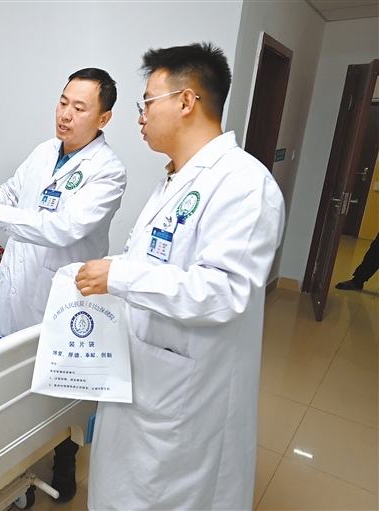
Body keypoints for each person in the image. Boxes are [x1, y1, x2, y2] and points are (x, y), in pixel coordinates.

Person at [75, 43, 285, 510]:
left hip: (185, 398)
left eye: (148, 103)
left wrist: (120, 276)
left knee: (166, 494)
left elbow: (223, 291)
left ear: (186, 101)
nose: (141, 117)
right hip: (145, 376)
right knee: (121, 487)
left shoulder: (244, 185)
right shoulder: (176, 178)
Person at [0, 68, 126, 501]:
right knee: (8, 383)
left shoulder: (108, 171)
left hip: (59, 298)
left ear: (103, 118)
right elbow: (12, 194)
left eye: (79, 108)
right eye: (63, 102)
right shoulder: (45, 151)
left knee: (61, 389)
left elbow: (65, 228)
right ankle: (9, 465)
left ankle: (64, 458)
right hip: (15, 285)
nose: (65, 114)